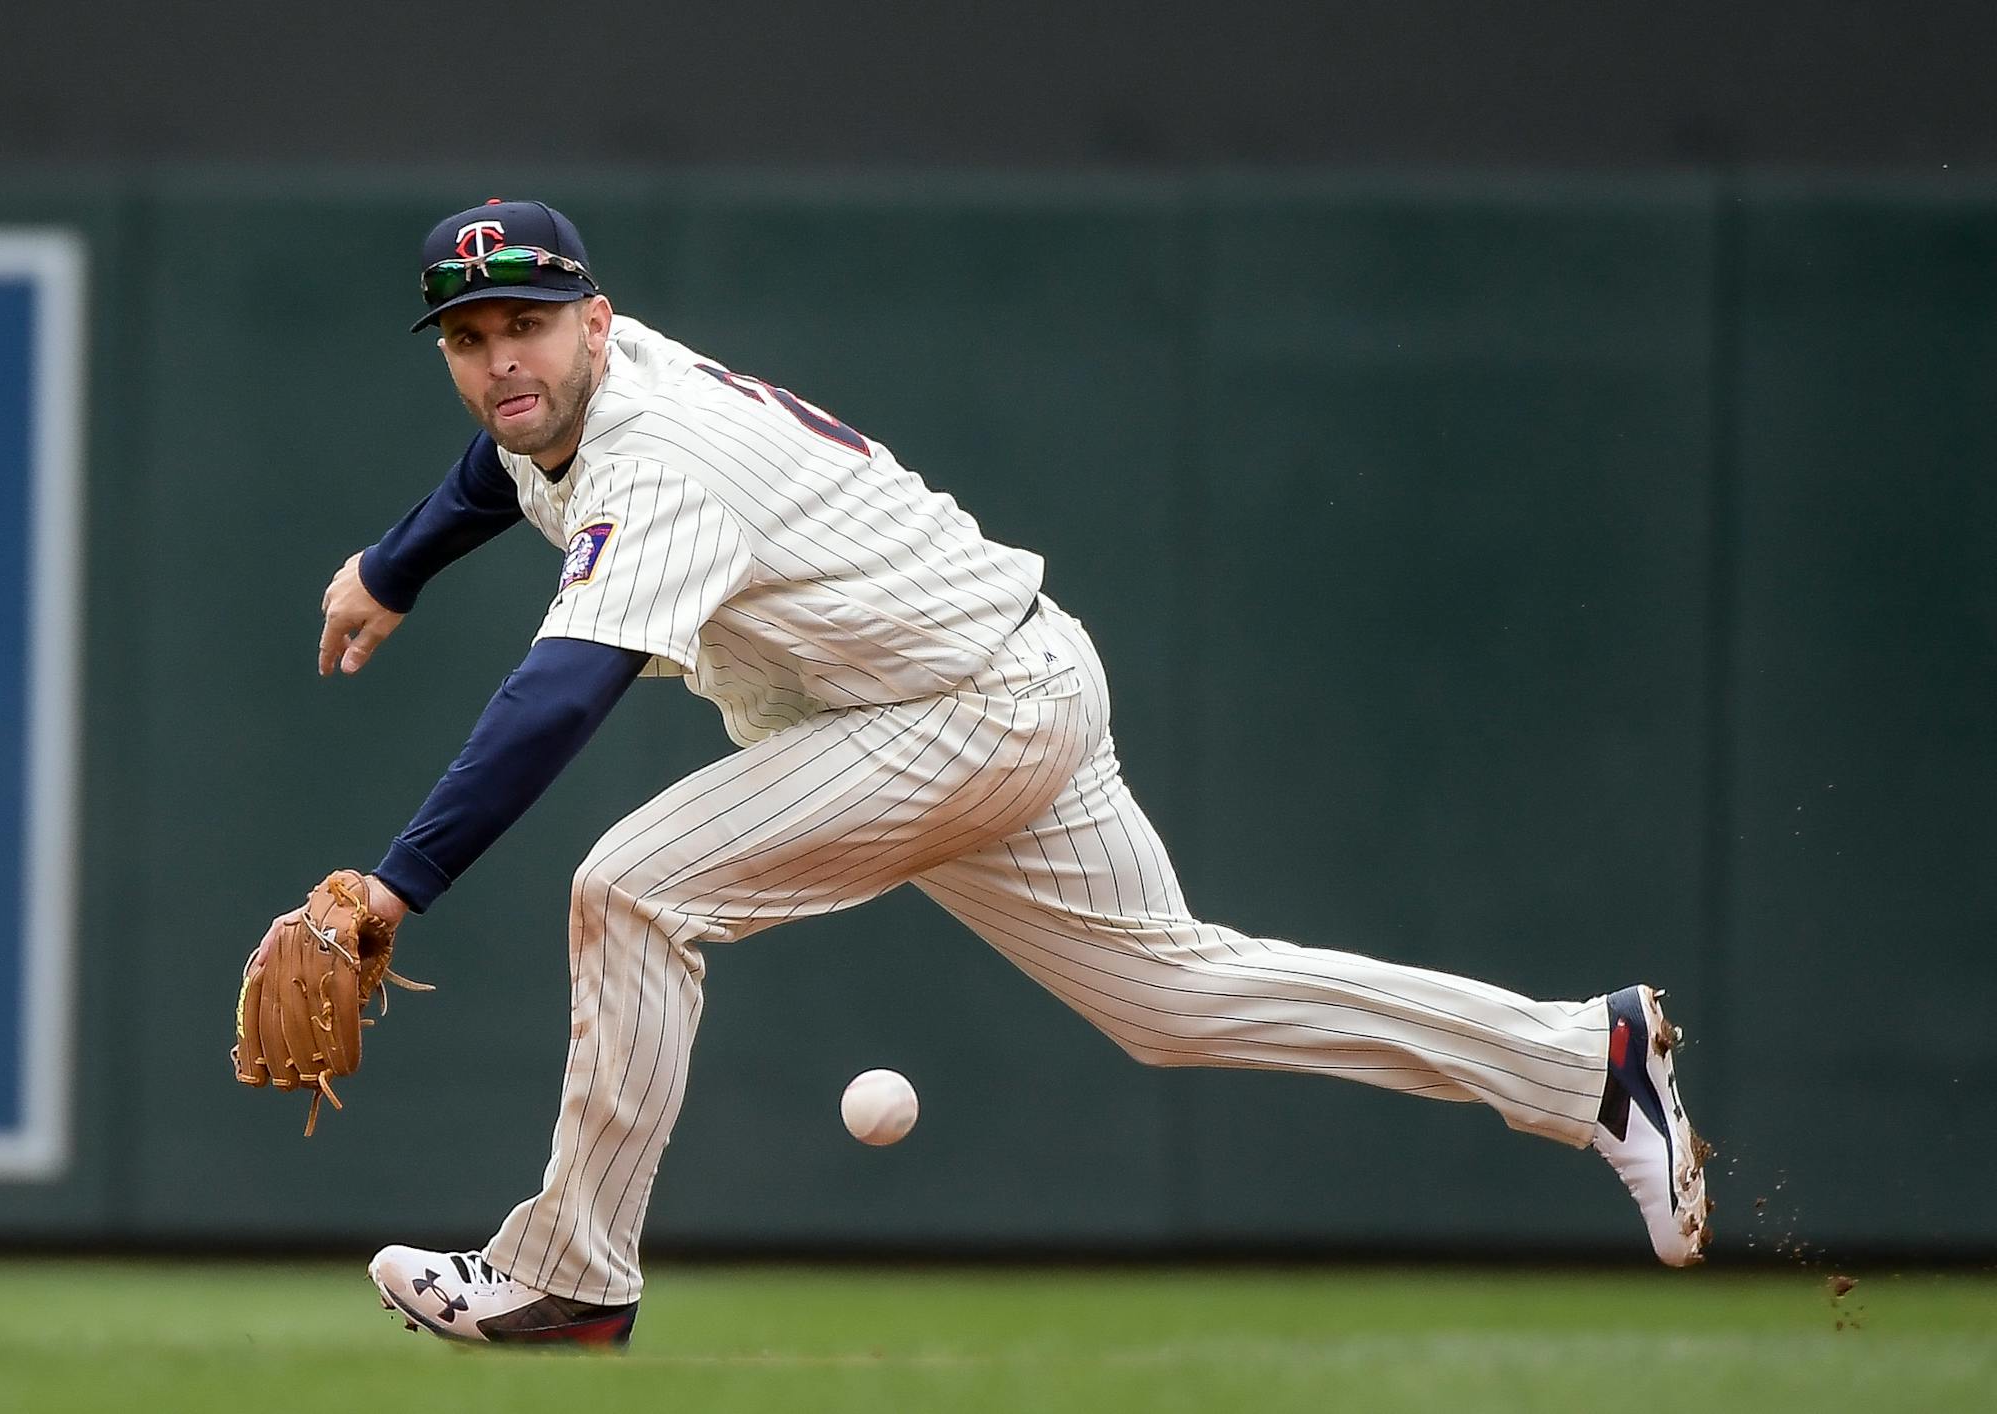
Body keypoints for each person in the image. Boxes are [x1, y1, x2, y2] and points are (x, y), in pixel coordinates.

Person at [316, 199, 1709, 1348]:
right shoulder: (573, 404)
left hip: (961, 711)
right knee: (1176, 996)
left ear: (597, 322)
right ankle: (1585, 1059)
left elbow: (561, 691)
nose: (504, 359)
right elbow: (506, 469)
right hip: (1002, 680)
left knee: (632, 889)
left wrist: (398, 886)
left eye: (532, 324)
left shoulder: (661, 457)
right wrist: (394, 565)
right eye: (473, 334)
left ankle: (573, 1268)